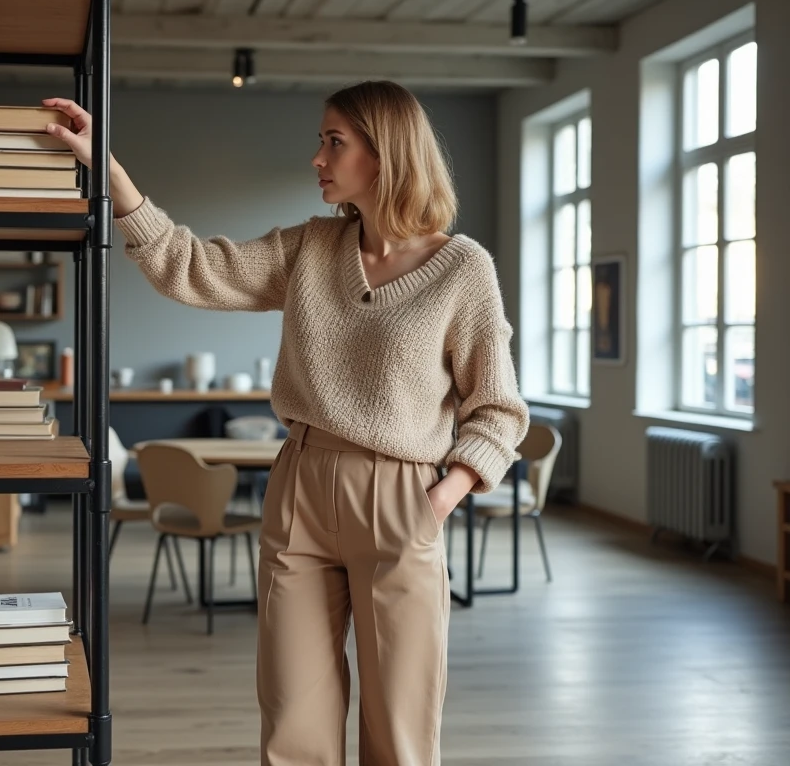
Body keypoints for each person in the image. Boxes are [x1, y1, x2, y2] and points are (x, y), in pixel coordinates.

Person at [42, 81, 529, 766]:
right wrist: (110, 171)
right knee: (293, 718)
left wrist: (440, 498)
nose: (317, 158)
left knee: (401, 726)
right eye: (321, 141)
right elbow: (193, 268)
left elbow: (498, 407)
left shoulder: (463, 269)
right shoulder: (311, 248)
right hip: (300, 483)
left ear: (385, 153)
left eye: (335, 141)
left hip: (403, 498)